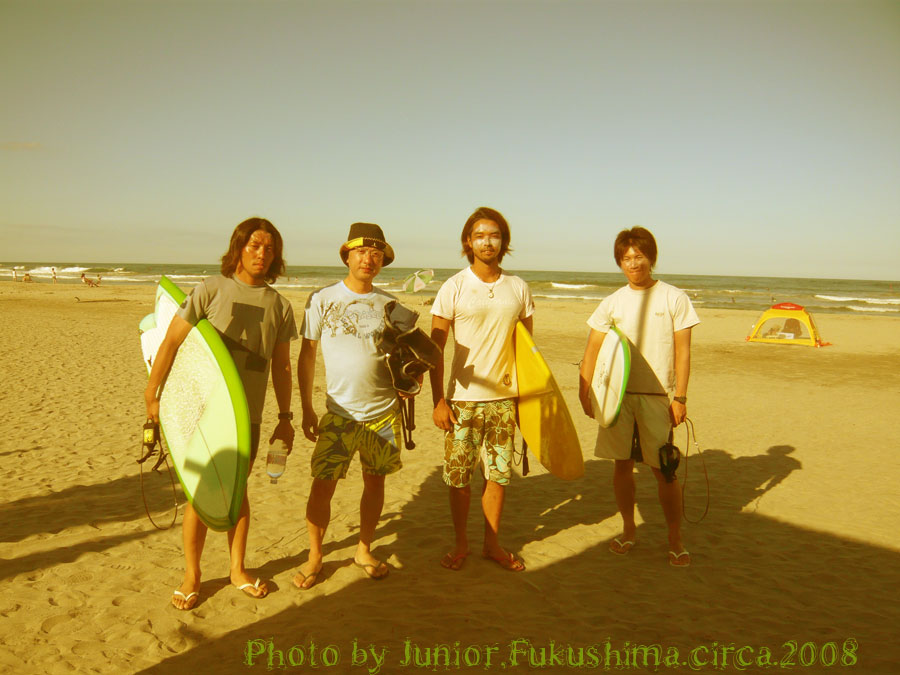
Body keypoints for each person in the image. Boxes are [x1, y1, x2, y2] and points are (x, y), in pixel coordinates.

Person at [144, 217, 298, 609]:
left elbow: (282, 367)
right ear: (238, 248)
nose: (261, 254)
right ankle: (192, 574)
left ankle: (237, 570)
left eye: (269, 248)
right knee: (200, 492)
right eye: (254, 245)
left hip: (246, 417)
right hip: (202, 411)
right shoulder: (211, 289)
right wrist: (152, 393)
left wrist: (285, 418)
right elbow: (170, 342)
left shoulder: (280, 306)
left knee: (237, 489)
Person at [293, 223, 408, 589]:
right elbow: (307, 355)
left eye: (375, 254)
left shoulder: (390, 305)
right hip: (338, 412)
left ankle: (363, 549)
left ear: (382, 261)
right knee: (322, 485)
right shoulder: (321, 299)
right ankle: (315, 556)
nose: (368, 259)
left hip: (383, 412)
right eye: (361, 252)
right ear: (347, 256)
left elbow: (402, 359)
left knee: (375, 484)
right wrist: (306, 407)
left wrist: (410, 382)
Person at [578, 226, 699, 567]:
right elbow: (593, 349)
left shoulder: (674, 297)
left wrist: (680, 397)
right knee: (622, 466)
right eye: (627, 258)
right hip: (616, 397)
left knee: (664, 469)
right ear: (619, 262)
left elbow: (683, 352)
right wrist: (585, 391)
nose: (633, 263)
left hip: (656, 396)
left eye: (639, 256)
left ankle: (674, 537)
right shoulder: (612, 302)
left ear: (651, 258)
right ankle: (629, 530)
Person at [429, 206, 534, 572]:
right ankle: (461, 543)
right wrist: (438, 400)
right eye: (479, 236)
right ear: (468, 242)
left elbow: (527, 350)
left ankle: (492, 544)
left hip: (504, 399)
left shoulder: (518, 288)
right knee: (459, 478)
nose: (487, 242)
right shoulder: (454, 287)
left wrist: (527, 400)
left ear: (504, 241)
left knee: (498, 475)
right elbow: (435, 349)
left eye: (494, 235)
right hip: (462, 400)